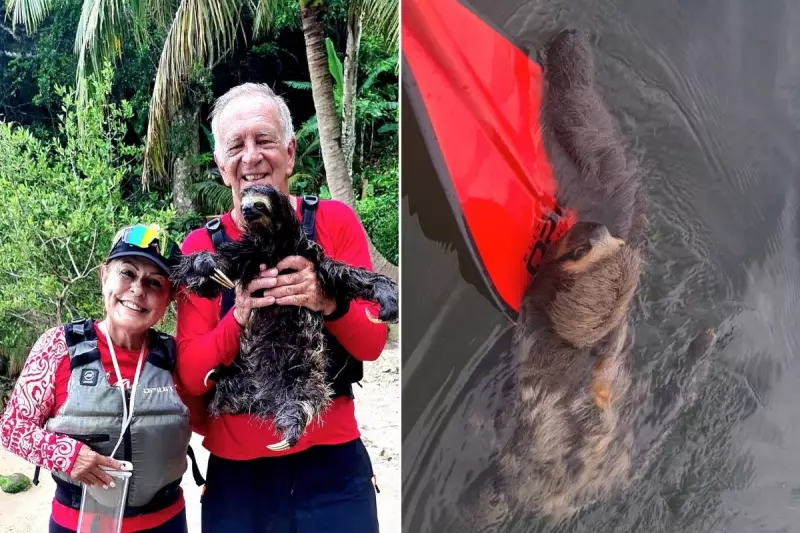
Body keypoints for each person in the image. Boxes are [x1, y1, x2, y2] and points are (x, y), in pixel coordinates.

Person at [174, 82, 388, 532]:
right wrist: (238, 317)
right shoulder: (202, 248)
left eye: (265, 140)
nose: (251, 156)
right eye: (236, 145)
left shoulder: (331, 221)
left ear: (290, 153)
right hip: (240, 477)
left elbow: (371, 343)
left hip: (332, 463)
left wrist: (326, 299)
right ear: (220, 164)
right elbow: (193, 374)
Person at [0, 224, 193, 533]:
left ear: (169, 299)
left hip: (165, 523)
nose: (138, 290)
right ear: (105, 276)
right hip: (79, 524)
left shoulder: (178, 356)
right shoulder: (58, 346)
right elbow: (11, 428)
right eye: (127, 273)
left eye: (154, 283)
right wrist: (66, 454)